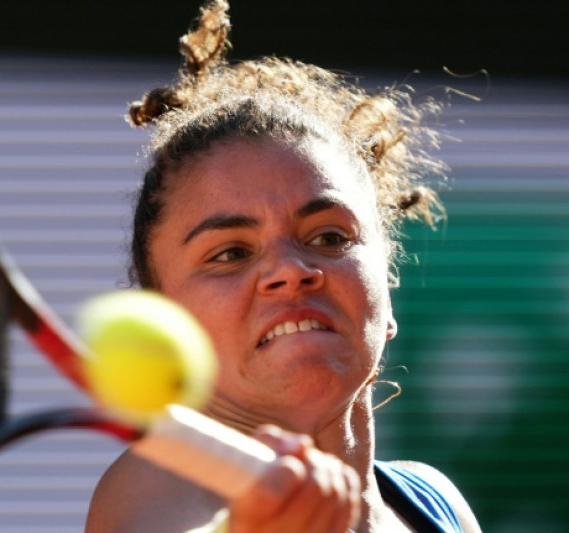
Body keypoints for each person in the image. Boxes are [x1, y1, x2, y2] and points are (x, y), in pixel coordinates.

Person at [85, 1, 482, 532]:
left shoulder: (437, 502)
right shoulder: (148, 493)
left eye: (329, 237)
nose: (289, 270)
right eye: (230, 253)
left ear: (386, 288)